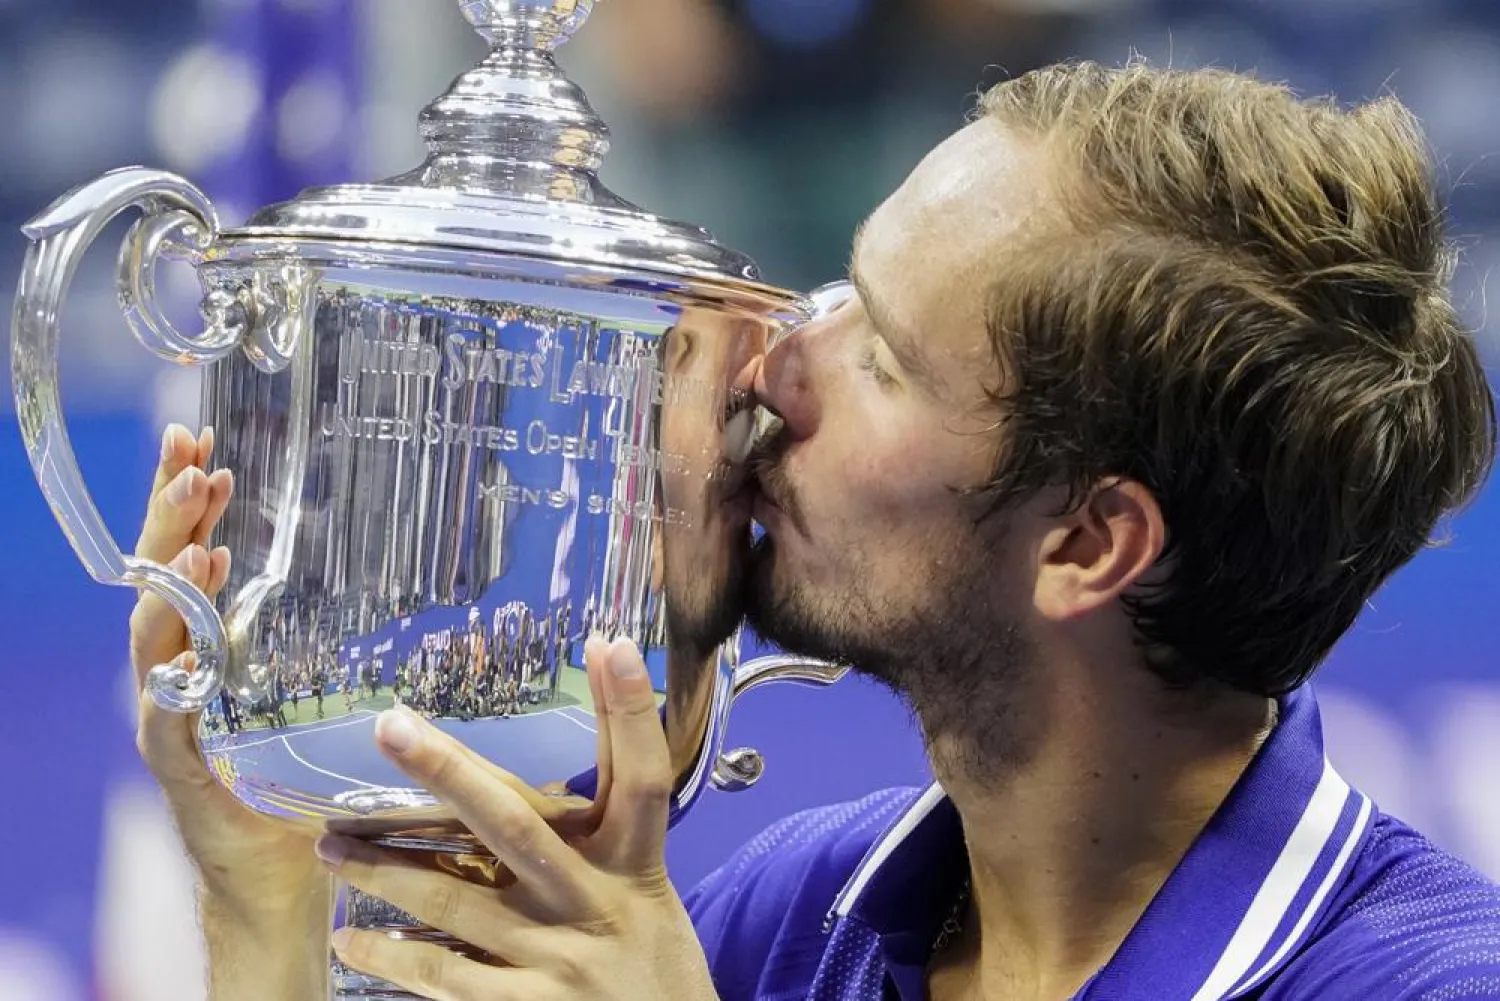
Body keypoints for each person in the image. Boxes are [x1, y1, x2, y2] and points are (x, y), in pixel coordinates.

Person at [127, 62, 1499, 1000]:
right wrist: (267, 900)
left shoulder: (1423, 980)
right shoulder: (807, 909)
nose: (773, 359)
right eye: (840, 283)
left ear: (1089, 545)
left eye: (886, 353)